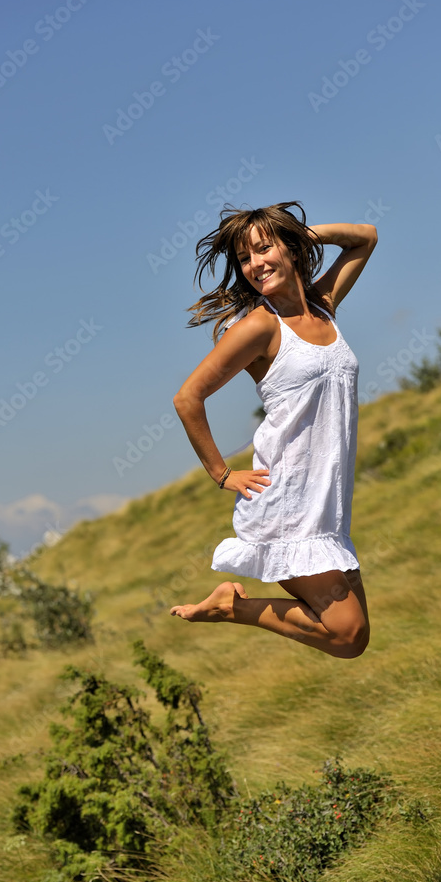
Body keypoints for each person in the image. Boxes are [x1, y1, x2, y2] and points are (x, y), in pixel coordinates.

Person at [170, 201, 378, 659]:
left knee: (354, 637)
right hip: (287, 504)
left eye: (264, 249)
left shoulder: (323, 307)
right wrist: (223, 474)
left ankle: (232, 605)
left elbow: (365, 236)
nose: (255, 264)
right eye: (245, 258)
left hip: (328, 506)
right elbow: (188, 399)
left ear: (291, 247)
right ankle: (231, 607)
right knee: (346, 636)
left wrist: (299, 234)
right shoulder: (259, 328)